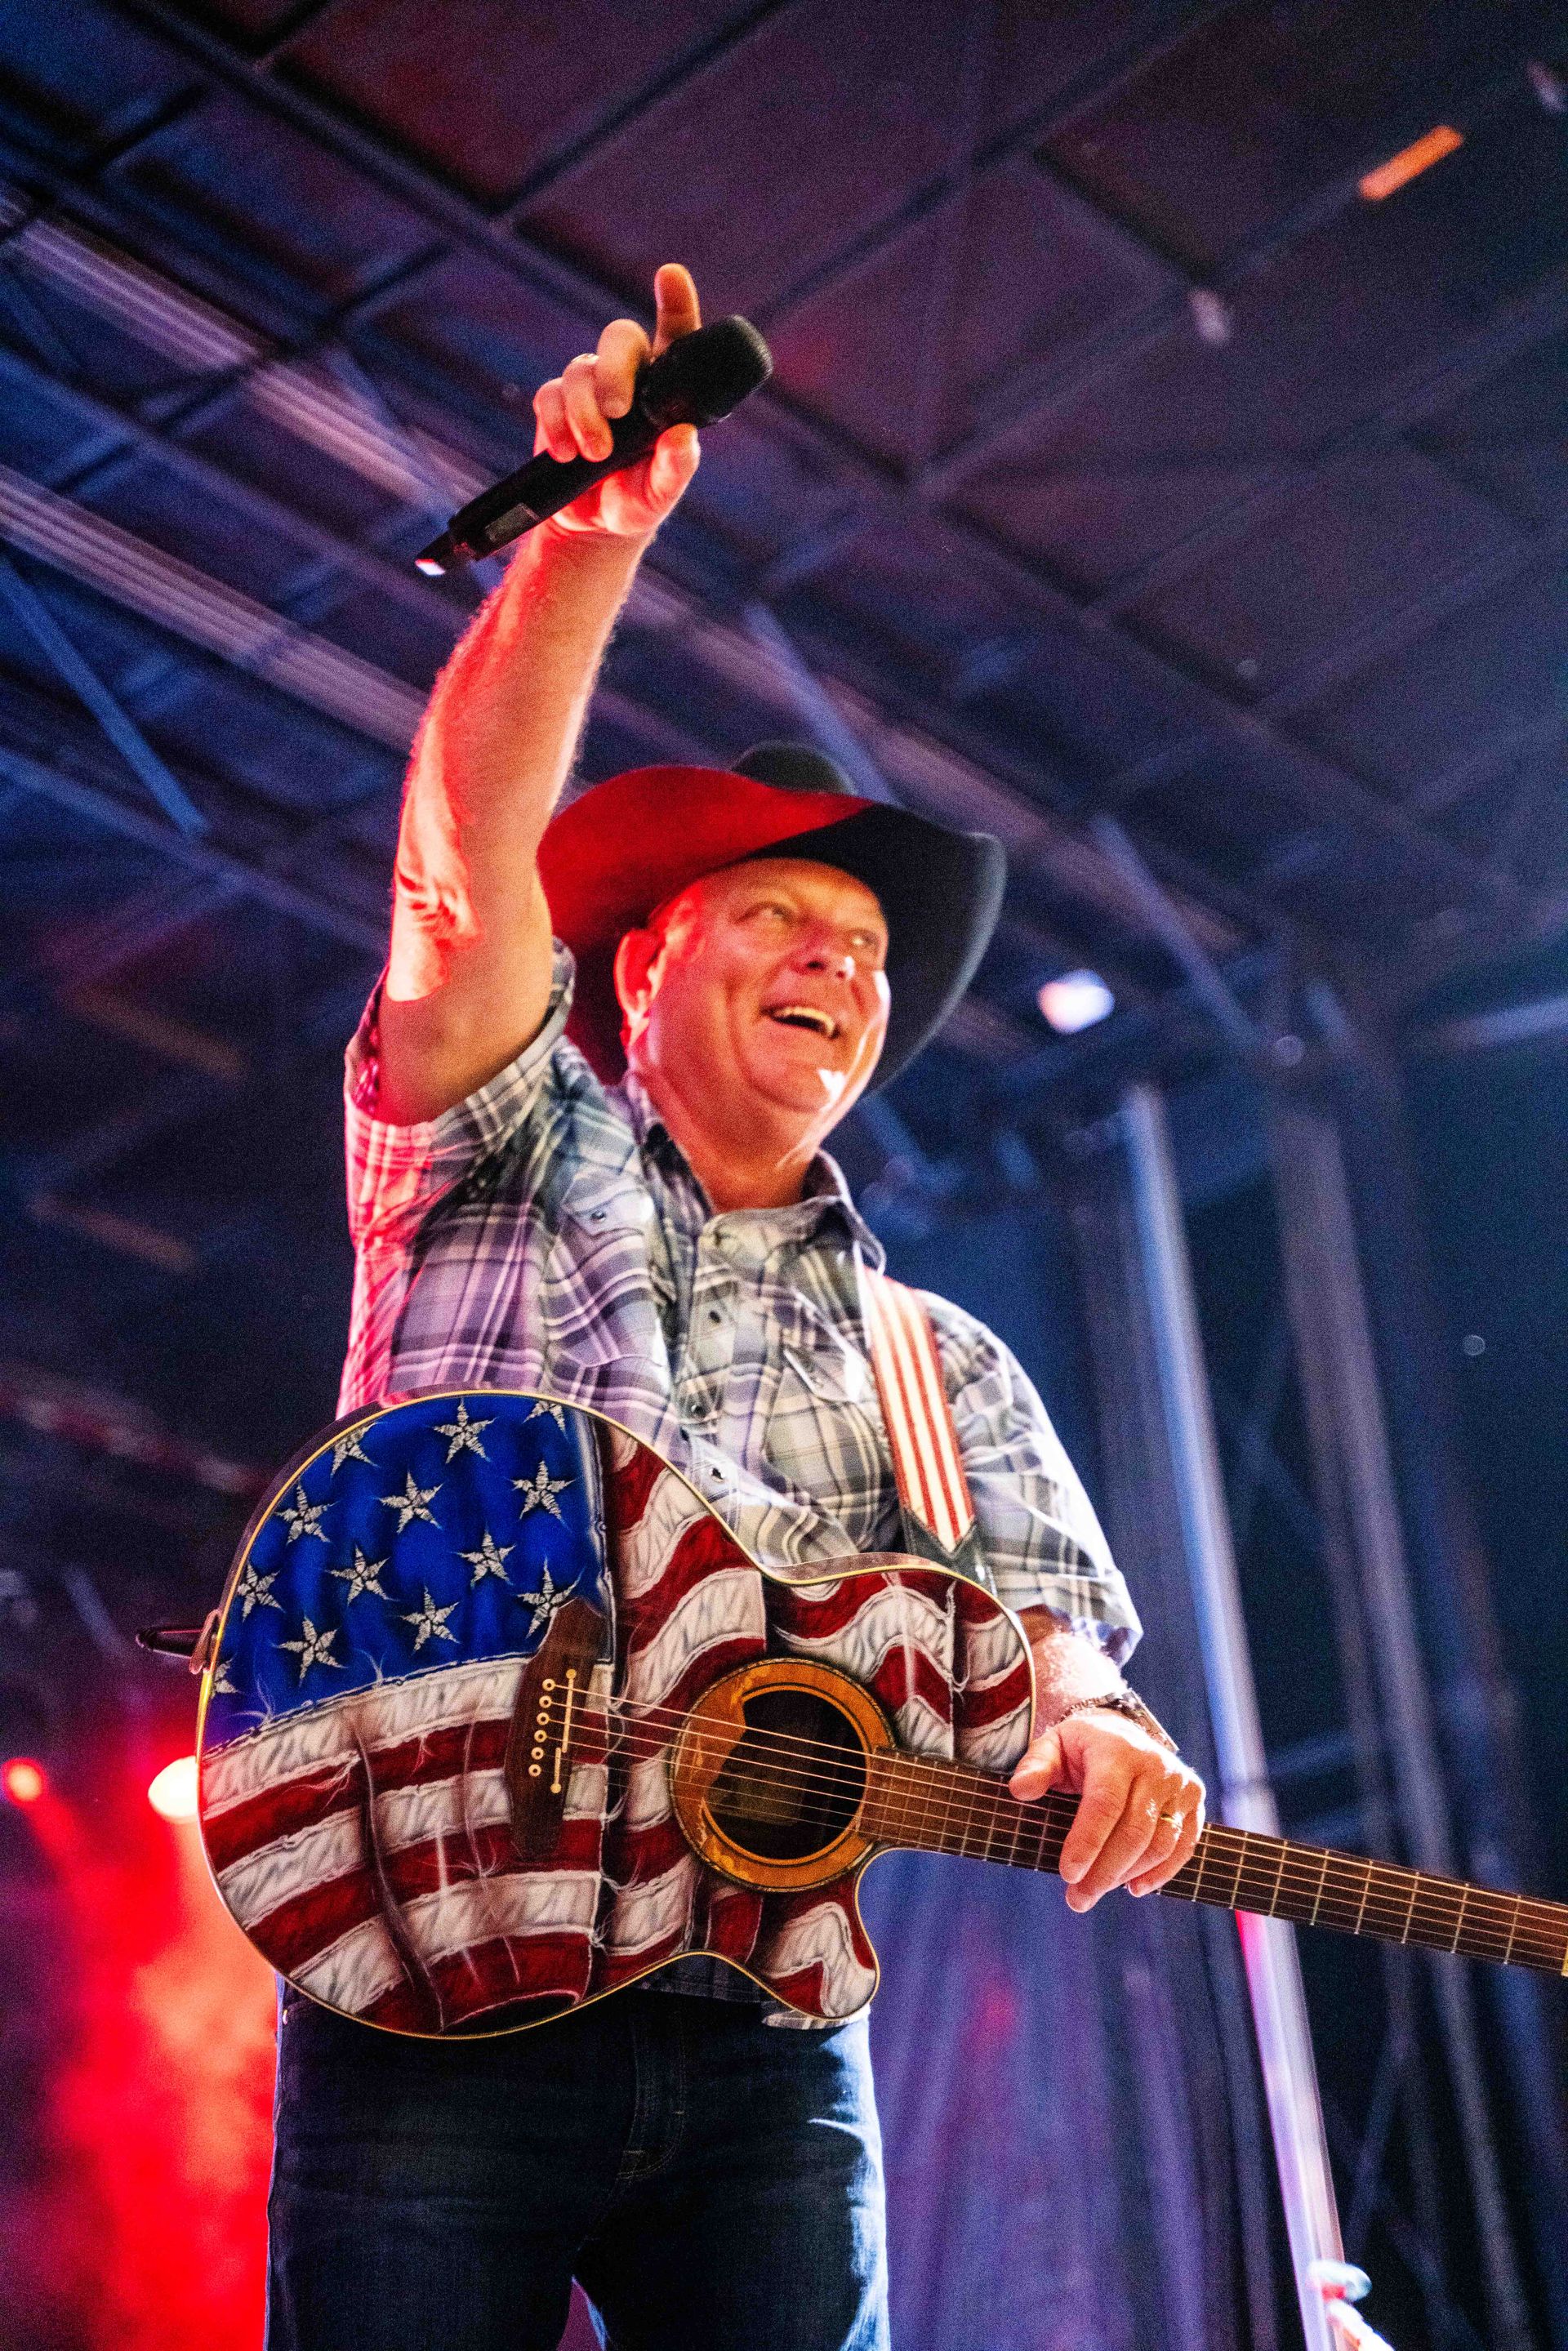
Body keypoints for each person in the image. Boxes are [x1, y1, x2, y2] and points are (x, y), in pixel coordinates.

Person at [266, 262, 1205, 2351]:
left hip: (768, 2041)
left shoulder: (940, 1360)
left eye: (865, 946)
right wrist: (584, 555)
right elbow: (456, 871)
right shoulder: (505, 1155)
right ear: (638, 976)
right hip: (435, 1978)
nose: (838, 963)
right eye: (777, 913)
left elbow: (1050, 1649)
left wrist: (1108, 1732)